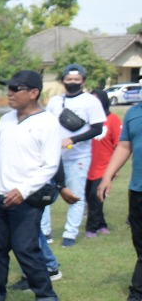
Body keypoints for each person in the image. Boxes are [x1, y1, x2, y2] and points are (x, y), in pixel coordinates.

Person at [0, 71, 65, 301]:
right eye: (9, 88)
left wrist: (23, 190)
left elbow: (50, 165)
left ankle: (48, 299)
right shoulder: (6, 119)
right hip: (1, 194)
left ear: (34, 93)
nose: (10, 93)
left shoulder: (47, 123)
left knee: (25, 247)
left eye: (17, 88)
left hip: (26, 197)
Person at [44, 64, 106, 248]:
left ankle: (69, 234)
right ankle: (45, 232)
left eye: (76, 80)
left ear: (83, 81)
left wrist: (72, 139)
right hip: (53, 156)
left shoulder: (90, 102)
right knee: (44, 194)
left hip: (78, 157)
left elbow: (97, 129)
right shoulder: (55, 101)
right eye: (69, 79)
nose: (72, 83)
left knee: (76, 195)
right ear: (63, 80)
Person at [96, 97, 142, 301]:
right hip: (138, 190)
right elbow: (124, 146)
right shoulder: (133, 113)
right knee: (140, 246)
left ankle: (137, 292)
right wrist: (107, 176)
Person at [84, 89, 120, 237]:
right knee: (89, 195)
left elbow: (119, 145)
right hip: (87, 165)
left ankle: (91, 228)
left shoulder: (113, 120)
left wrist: (115, 168)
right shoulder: (86, 120)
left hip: (104, 166)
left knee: (96, 196)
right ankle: (101, 225)